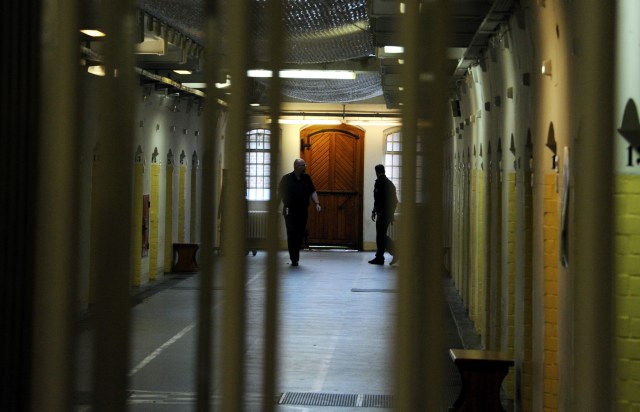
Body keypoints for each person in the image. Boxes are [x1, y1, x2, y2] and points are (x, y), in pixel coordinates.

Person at [278, 158, 322, 266]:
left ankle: (295, 254)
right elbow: (279, 194)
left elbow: (313, 192)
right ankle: (294, 258)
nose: (305, 167)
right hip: (290, 210)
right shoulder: (286, 179)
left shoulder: (307, 178)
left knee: (300, 233)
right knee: (292, 233)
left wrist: (317, 203)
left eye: (305, 165)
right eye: (303, 165)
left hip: (302, 210)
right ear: (296, 166)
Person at [369, 164, 398, 265]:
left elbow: (378, 200)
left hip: (382, 214)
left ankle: (395, 252)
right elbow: (395, 201)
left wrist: (374, 211)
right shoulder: (390, 183)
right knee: (382, 235)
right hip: (387, 214)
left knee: (381, 236)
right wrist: (391, 214)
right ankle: (380, 257)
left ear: (377, 172)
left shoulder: (379, 183)